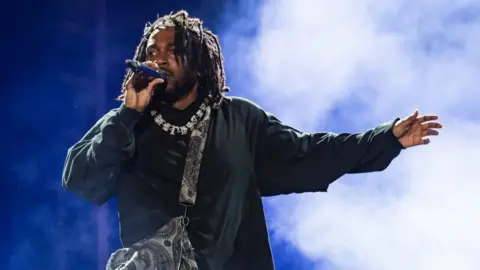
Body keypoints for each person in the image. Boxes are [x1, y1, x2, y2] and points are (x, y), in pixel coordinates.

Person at [62, 10, 442, 270]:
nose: (159, 60)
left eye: (173, 52)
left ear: (197, 62)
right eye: (152, 52)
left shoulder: (239, 119)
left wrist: (385, 139)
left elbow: (307, 154)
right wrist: (128, 115)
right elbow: (82, 182)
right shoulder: (125, 122)